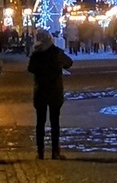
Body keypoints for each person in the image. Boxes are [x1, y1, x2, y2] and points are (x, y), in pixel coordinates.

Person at [28, 28, 73, 160]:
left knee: (40, 122)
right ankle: (55, 151)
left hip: (40, 90)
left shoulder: (36, 54)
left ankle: (40, 152)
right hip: (54, 90)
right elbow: (69, 63)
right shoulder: (56, 52)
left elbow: (31, 69)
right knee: (55, 122)